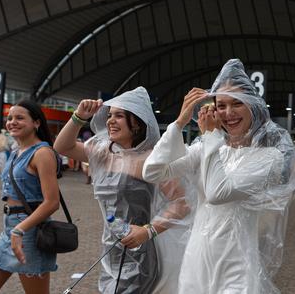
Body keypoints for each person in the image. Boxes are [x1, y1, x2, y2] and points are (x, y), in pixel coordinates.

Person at [143, 59, 295, 293]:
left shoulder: (270, 158)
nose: (228, 113)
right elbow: (153, 171)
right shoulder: (208, 148)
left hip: (236, 265)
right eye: (221, 105)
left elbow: (218, 193)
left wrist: (210, 137)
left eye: (237, 103)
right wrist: (179, 124)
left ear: (253, 105)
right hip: (196, 259)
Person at [54, 87, 192, 294]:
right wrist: (78, 116)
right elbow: (62, 147)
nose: (110, 120)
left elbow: (182, 203)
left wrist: (148, 231)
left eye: (119, 115)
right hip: (109, 248)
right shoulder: (104, 153)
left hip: (139, 252)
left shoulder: (151, 160)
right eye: (110, 115)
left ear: (137, 122)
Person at [0, 100, 60, 294]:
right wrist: (15, 230)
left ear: (36, 123)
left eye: (20, 118)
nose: (12, 122)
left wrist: (20, 230)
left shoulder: (43, 153)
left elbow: (52, 202)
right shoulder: (15, 151)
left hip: (31, 232)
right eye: (10, 118)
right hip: (10, 229)